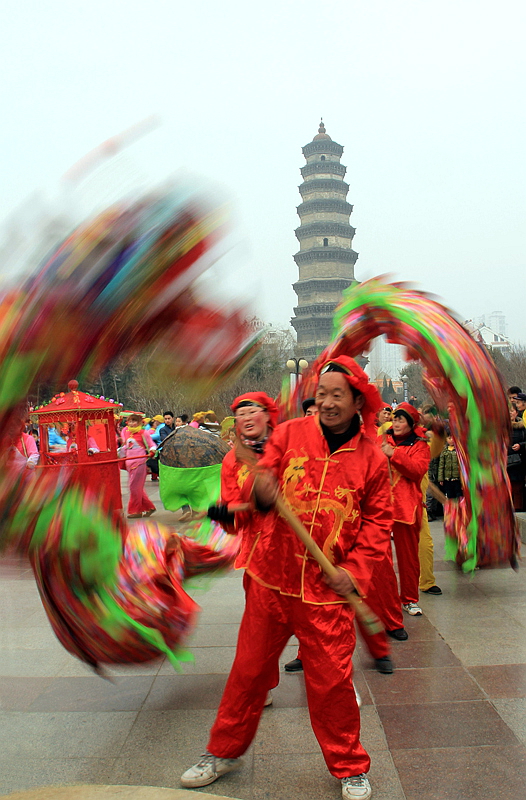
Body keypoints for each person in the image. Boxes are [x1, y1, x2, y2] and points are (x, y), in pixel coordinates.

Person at [181, 356, 392, 800]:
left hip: (326, 593)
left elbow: (377, 524)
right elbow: (260, 479)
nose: (329, 404)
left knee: (332, 681)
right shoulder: (293, 433)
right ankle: (222, 751)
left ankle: (349, 765)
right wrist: (260, 488)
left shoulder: (371, 460)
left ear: (358, 402)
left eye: (339, 396)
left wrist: (353, 571)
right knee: (249, 671)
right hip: (271, 577)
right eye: (323, 395)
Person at [380, 402, 430, 617]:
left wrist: (394, 455)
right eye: (395, 418)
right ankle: (385, 600)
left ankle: (409, 599)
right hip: (380, 508)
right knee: (380, 559)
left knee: (408, 557)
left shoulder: (420, 445)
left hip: (406, 508)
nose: (396, 423)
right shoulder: (381, 439)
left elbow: (417, 471)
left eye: (401, 419)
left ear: (411, 424)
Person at [121, 414, 157, 519]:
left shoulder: (143, 433)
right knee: (136, 488)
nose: (131, 423)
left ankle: (136, 510)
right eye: (130, 421)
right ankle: (149, 507)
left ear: (139, 422)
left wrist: (152, 451)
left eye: (134, 421)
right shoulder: (127, 433)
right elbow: (125, 447)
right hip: (129, 463)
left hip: (140, 463)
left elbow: (152, 445)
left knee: (133, 487)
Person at [507, 405, 526, 510]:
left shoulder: (523, 427)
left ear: (516, 412)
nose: (510, 413)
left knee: (518, 487)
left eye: (512, 411)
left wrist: (520, 445)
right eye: (508, 411)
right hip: (505, 461)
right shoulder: (501, 427)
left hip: (518, 461)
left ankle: (518, 509)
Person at [438, 428, 463, 499]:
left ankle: (460, 509)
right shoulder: (444, 451)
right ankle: (452, 509)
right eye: (449, 438)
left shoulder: (459, 450)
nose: (451, 440)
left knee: (459, 496)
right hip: (447, 479)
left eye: (453, 438)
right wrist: (441, 479)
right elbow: (441, 465)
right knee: (450, 496)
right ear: (446, 439)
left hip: (457, 479)